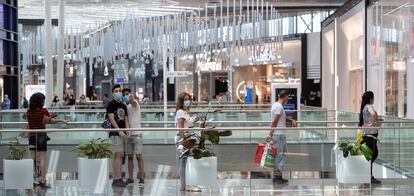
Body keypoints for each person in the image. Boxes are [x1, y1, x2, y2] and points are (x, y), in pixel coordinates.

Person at [26, 93, 68, 188]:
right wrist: (60, 120)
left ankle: (29, 177)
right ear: (41, 101)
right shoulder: (43, 111)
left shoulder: (28, 111)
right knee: (42, 158)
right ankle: (43, 178)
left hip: (32, 136)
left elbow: (29, 123)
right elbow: (47, 121)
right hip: (41, 135)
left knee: (31, 158)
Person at [266, 90, 297, 184]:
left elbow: (280, 118)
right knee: (280, 156)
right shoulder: (279, 107)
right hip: (278, 135)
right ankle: (276, 176)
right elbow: (274, 121)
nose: (288, 99)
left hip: (278, 135)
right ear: (286, 96)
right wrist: (270, 134)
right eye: (288, 97)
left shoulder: (275, 105)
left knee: (281, 155)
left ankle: (277, 175)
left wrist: (291, 120)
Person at [175, 92, 201, 191]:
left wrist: (193, 120)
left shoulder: (185, 112)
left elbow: (187, 124)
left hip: (187, 138)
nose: (188, 101)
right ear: (181, 101)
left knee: (185, 162)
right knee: (183, 162)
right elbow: (181, 128)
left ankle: (185, 185)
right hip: (183, 139)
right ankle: (183, 185)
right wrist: (184, 140)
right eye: (185, 99)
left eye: (188, 99)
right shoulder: (181, 112)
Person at [106, 84, 130, 187]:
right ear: (113, 93)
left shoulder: (123, 105)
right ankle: (117, 178)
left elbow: (126, 119)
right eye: (116, 91)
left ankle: (117, 178)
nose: (118, 92)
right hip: (115, 133)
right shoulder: (111, 104)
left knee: (119, 155)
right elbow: (111, 118)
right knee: (118, 154)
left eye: (119, 91)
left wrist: (128, 130)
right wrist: (118, 130)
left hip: (123, 133)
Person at [123, 88, 145, 186]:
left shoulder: (135, 104)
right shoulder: (126, 107)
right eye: (125, 94)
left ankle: (141, 177)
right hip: (129, 135)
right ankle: (131, 177)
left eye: (128, 94)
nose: (126, 95)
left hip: (137, 134)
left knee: (139, 156)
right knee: (130, 157)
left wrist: (131, 98)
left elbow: (133, 103)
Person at [359, 91, 381, 184]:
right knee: (372, 155)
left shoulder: (364, 107)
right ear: (371, 98)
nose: (374, 99)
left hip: (367, 134)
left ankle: (367, 175)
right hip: (370, 135)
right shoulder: (369, 106)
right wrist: (373, 123)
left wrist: (375, 120)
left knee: (371, 155)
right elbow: (373, 114)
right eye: (373, 98)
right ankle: (368, 176)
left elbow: (371, 117)